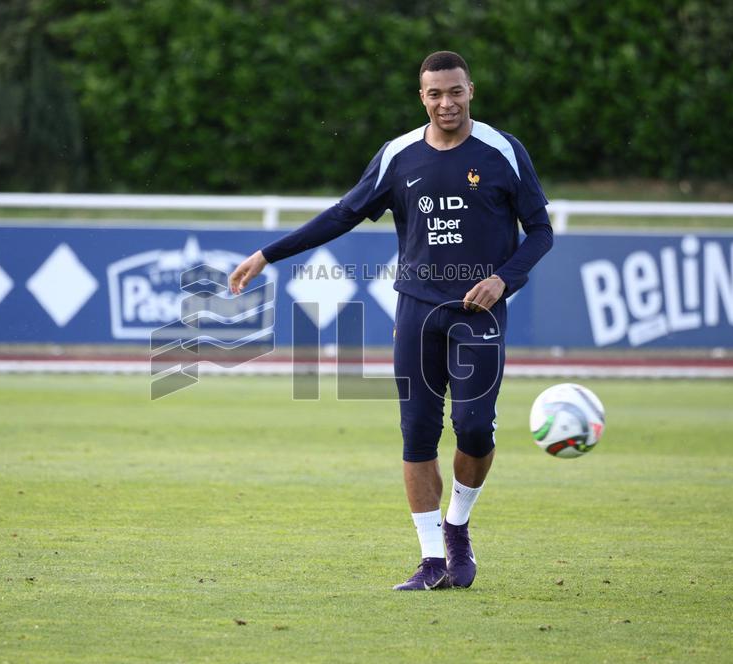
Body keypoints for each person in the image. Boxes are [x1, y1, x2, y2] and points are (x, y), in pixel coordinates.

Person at [229, 51, 553, 590]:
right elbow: (342, 214)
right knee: (417, 434)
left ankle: (457, 528)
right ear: (421, 96)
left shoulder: (502, 152)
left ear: (471, 90)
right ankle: (431, 561)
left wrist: (504, 279)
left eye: (455, 92)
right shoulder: (399, 155)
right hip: (416, 312)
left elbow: (540, 230)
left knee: (474, 428)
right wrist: (269, 253)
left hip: (479, 314)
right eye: (434, 94)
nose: (445, 103)